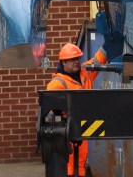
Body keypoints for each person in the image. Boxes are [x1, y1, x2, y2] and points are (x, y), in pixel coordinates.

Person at [46, 43, 109, 177]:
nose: (76, 62)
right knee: (70, 164)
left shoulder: (85, 72)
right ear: (63, 62)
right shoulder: (56, 84)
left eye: (78, 58)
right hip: (67, 134)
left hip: (83, 128)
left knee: (80, 161)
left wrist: (108, 43)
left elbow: (99, 59)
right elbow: (51, 113)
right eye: (72, 59)